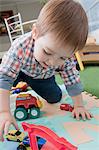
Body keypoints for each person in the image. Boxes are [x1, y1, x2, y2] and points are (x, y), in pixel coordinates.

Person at [0, 0, 92, 141]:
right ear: (35, 33)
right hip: (18, 72)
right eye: (48, 52)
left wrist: (79, 105)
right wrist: (4, 111)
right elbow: (5, 78)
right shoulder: (21, 46)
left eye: (61, 57)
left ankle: (31, 86)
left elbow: (72, 79)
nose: (52, 62)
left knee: (55, 98)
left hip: (42, 78)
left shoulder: (65, 58)